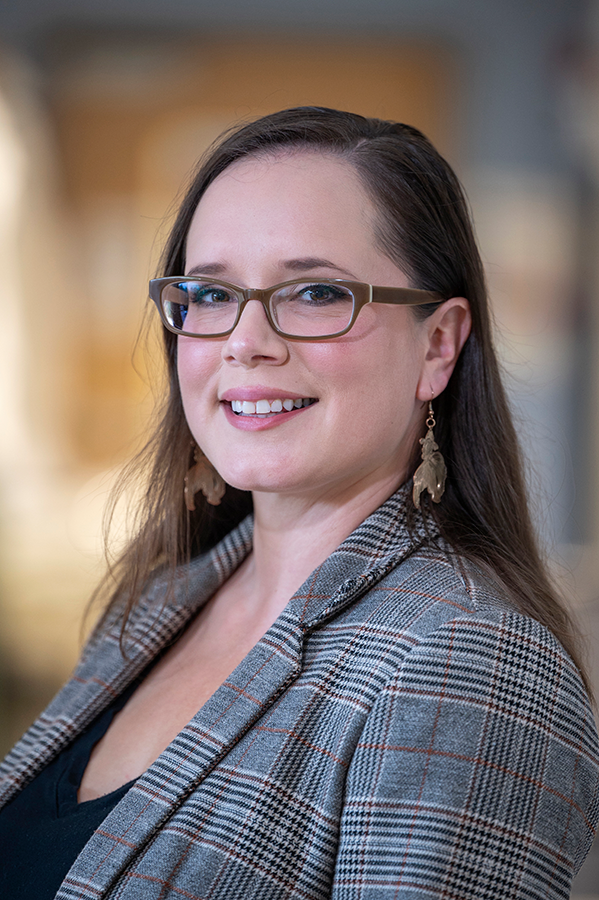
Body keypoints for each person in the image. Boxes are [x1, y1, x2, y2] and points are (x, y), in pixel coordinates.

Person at [0, 106, 598, 900]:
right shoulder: (163, 598)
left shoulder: (464, 663)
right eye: (209, 293)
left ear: (438, 345)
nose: (245, 340)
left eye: (315, 292)